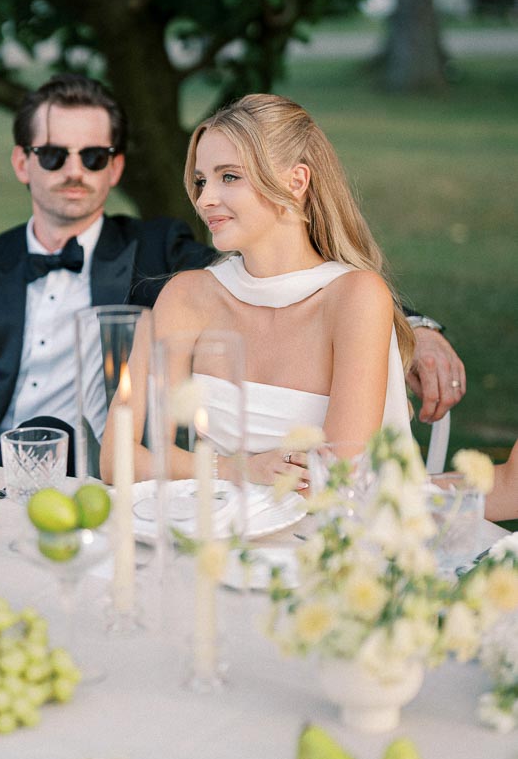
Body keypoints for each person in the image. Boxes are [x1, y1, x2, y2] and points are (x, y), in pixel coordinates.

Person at [101, 94, 428, 487]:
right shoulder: (187, 295)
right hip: (218, 518)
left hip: (327, 523)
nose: (205, 199)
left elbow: (339, 479)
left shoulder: (355, 296)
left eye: (229, 177)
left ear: (296, 182)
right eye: (201, 181)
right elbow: (116, 459)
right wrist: (237, 469)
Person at [0, 74, 211, 464]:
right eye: (54, 155)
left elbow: (246, 276)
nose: (74, 171)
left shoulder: (158, 249)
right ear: (22, 163)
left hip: (104, 475)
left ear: (115, 168)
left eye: (93, 157)